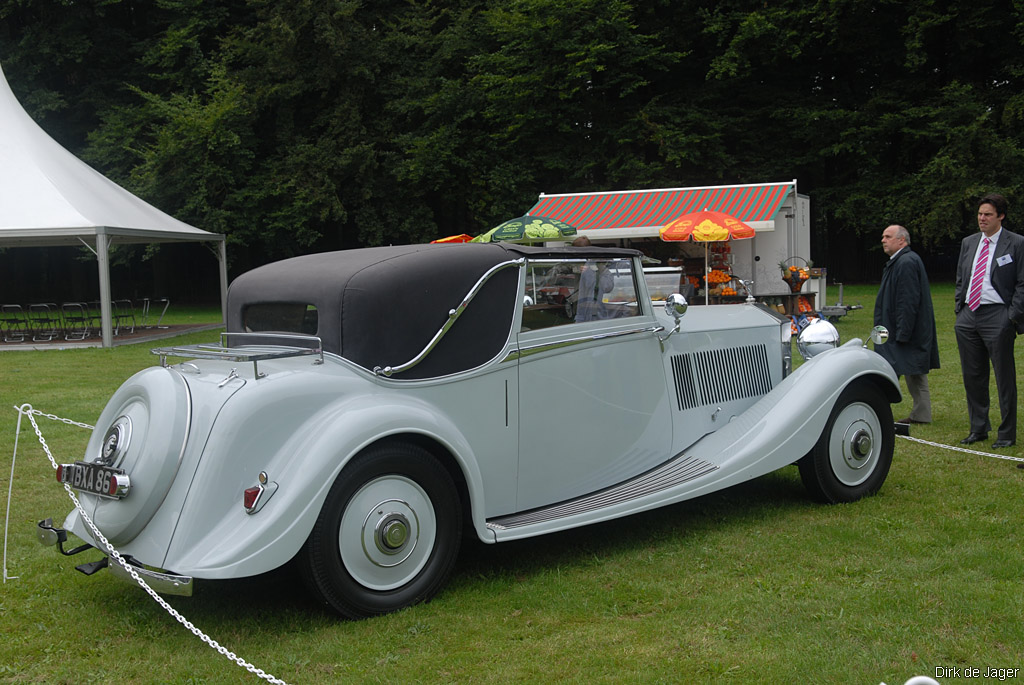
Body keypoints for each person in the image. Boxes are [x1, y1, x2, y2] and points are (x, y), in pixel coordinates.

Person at [953, 193, 1024, 448]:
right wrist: (959, 308)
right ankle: (978, 428)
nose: (982, 219)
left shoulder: (1016, 243)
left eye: (988, 215)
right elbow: (962, 276)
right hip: (969, 315)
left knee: (1004, 378)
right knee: (973, 376)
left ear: (1001, 216)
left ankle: (1006, 434)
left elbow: (1022, 283)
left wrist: (1011, 317)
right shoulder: (969, 242)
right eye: (980, 214)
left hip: (999, 315)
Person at [873, 225, 940, 423]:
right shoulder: (900, 261)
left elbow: (908, 300)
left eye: (888, 236)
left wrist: (903, 333)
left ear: (902, 240)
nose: (883, 240)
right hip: (900, 329)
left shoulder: (906, 262)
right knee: (912, 370)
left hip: (903, 331)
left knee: (899, 369)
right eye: (883, 236)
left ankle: (882, 409)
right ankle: (920, 413)